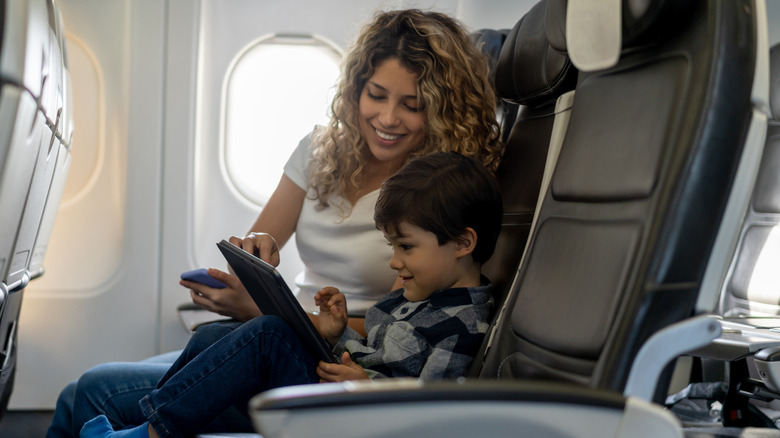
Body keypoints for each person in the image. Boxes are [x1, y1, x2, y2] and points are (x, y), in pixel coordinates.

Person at [47, 8, 503, 438]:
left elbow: (412, 335)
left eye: (411, 105)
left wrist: (266, 315)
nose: (386, 118)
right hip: (308, 331)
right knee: (103, 383)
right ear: (356, 89)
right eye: (376, 95)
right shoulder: (323, 150)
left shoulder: (435, 198)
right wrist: (256, 258)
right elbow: (263, 238)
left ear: (441, 109)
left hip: (314, 347)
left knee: (92, 393)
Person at [78, 150, 503, 438]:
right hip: (342, 395)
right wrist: (339, 336)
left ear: (464, 243)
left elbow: (433, 412)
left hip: (361, 421)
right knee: (212, 337)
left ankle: (149, 433)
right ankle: (153, 423)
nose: (394, 263)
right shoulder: (416, 295)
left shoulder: (463, 325)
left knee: (268, 336)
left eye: (405, 247)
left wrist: (369, 388)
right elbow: (376, 355)